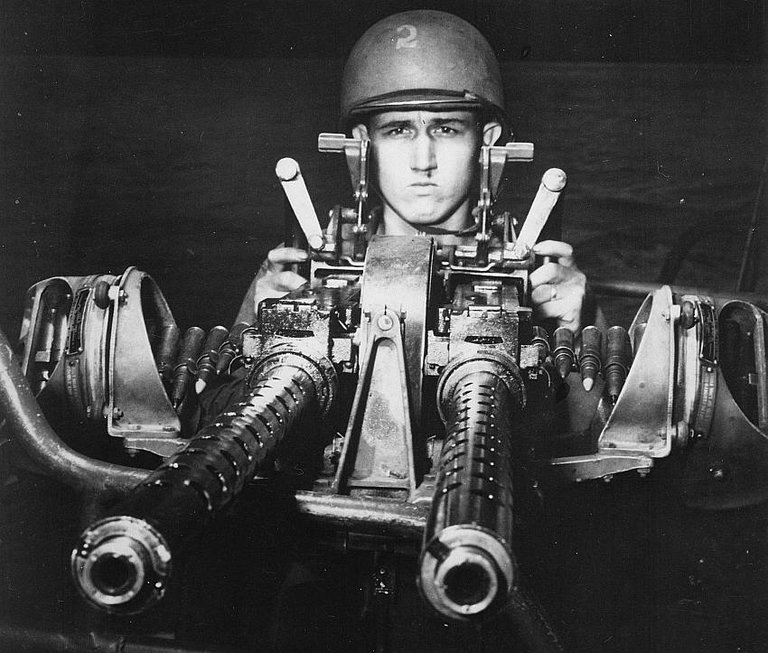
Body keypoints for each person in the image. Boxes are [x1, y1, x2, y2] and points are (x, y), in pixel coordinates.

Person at [236, 9, 600, 333]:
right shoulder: (309, 271)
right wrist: (253, 319)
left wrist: (578, 327)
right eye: (398, 130)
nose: (423, 160)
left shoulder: (535, 277)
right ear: (361, 143)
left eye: (446, 129)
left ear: (486, 141)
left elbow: (612, 408)